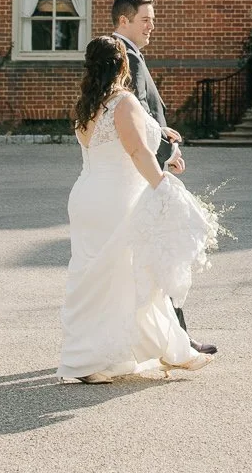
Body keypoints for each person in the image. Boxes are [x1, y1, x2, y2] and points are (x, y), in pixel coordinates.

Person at [57, 35, 215, 383]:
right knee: (127, 276)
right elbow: (136, 153)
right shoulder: (123, 102)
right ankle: (123, 356)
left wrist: (159, 136)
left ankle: (92, 359)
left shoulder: (87, 104)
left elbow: (115, 145)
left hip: (87, 196)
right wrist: (163, 184)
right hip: (115, 199)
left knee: (94, 277)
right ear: (123, 66)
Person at [111, 0, 218, 358]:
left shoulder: (129, 54)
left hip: (140, 168)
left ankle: (162, 337)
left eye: (153, 19)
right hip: (144, 173)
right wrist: (165, 156)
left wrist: (165, 133)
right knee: (163, 252)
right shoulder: (124, 57)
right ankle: (178, 340)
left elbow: (143, 116)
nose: (152, 25)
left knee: (153, 256)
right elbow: (134, 115)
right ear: (124, 21)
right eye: (146, 19)